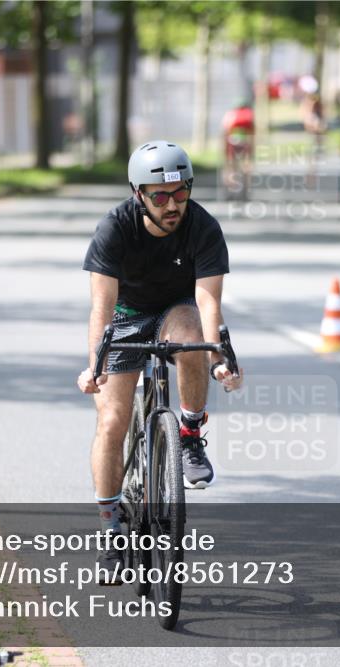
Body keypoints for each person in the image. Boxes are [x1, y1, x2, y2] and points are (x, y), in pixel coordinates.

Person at [77, 141, 244, 581]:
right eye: (160, 196)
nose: (173, 205)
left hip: (176, 310)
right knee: (112, 421)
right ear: (139, 195)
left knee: (193, 340)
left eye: (181, 193)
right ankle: (110, 530)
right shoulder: (114, 228)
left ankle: (188, 434)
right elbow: (101, 308)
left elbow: (210, 305)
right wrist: (94, 365)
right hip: (126, 316)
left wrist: (220, 357)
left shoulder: (203, 228)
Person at [221, 100, 255, 192]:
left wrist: (224, 149)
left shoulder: (230, 115)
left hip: (232, 143)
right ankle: (247, 185)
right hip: (245, 143)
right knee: (246, 164)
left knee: (231, 165)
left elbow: (225, 132)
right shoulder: (249, 115)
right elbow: (252, 134)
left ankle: (231, 185)